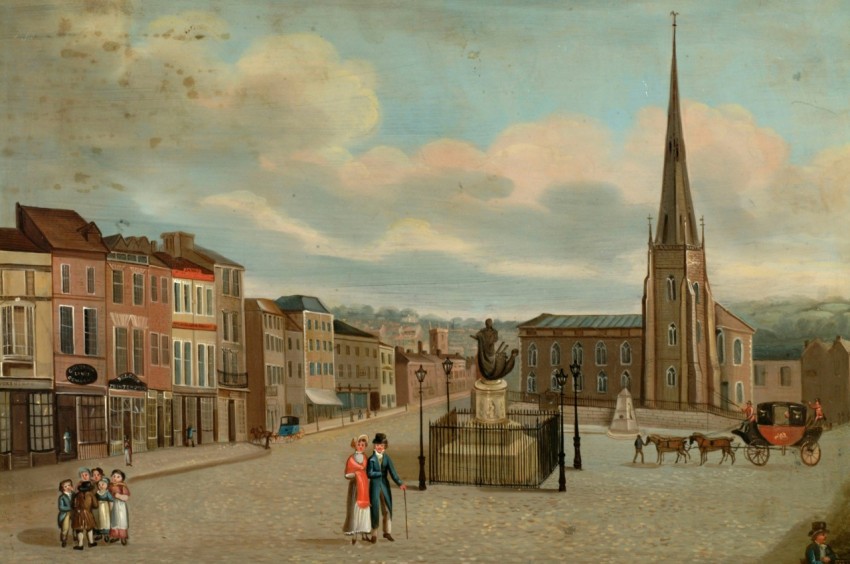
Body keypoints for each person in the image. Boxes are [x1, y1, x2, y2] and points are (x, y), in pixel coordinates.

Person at [366, 432, 406, 543]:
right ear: (374, 446)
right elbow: (369, 473)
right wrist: (378, 474)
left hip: (384, 485)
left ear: (385, 446)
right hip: (374, 485)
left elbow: (393, 473)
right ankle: (374, 534)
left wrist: (400, 483)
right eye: (378, 445)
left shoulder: (387, 458)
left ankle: (387, 532)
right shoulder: (371, 459)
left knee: (387, 508)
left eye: (382, 445)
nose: (379, 447)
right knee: (374, 509)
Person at [342, 434, 372, 544]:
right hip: (355, 488)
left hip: (364, 487)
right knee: (355, 510)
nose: (360, 446)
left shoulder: (365, 458)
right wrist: (356, 474)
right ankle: (354, 535)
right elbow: (346, 474)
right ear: (355, 445)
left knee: (364, 510)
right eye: (359, 444)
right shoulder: (351, 459)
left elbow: (368, 472)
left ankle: (364, 534)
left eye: (363, 445)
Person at [71, 474, 98, 550]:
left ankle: (80, 545)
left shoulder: (77, 495)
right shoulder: (91, 495)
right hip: (87, 513)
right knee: (89, 528)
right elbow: (96, 505)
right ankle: (91, 542)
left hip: (78, 514)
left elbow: (73, 505)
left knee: (79, 529)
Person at [108, 469, 131, 545]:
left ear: (122, 478)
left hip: (120, 505)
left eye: (118, 477)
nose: (115, 478)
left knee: (122, 520)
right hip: (112, 504)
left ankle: (123, 537)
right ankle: (115, 536)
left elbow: (126, 497)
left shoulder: (123, 486)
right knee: (114, 520)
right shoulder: (110, 486)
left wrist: (119, 496)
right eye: (114, 476)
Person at [93, 478, 113, 542]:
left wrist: (111, 509)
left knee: (105, 521)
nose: (101, 486)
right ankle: (100, 534)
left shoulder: (107, 493)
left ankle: (106, 535)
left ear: (107, 485)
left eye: (103, 484)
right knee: (99, 520)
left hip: (105, 508)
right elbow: (94, 500)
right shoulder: (97, 493)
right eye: (99, 485)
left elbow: (111, 501)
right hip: (98, 508)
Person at [57, 478, 74, 547]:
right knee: (65, 527)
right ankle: (64, 539)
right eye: (65, 486)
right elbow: (61, 507)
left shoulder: (73, 494)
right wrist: (70, 508)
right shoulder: (62, 497)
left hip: (73, 512)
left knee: (75, 524)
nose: (67, 487)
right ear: (62, 488)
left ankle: (76, 536)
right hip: (65, 513)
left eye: (69, 485)